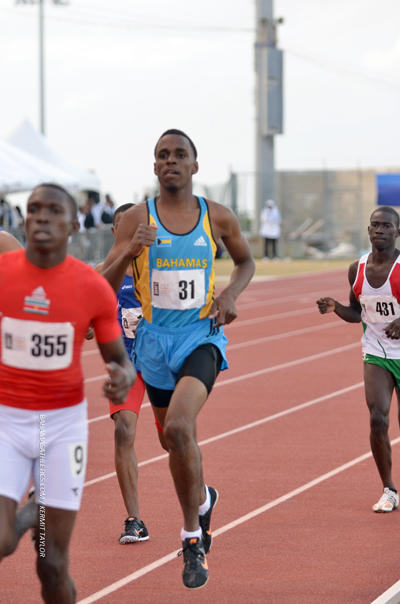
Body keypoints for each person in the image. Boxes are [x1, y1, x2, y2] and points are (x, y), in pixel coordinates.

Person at [102, 129, 255, 589]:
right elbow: (103, 286)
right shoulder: (135, 220)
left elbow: (245, 262)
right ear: (154, 167)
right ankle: (203, 498)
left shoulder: (217, 216)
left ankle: (192, 539)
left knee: (178, 428)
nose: (171, 161)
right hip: (153, 343)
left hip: (200, 337)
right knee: (175, 446)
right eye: (162, 155)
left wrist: (229, 292)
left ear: (194, 165)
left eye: (180, 154)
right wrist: (129, 252)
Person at [0, 183, 135, 604]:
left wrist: (123, 378)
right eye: (34, 209)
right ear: (24, 221)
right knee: (2, 542)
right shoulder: (2, 272)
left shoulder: (90, 287)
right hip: (6, 420)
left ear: (74, 224)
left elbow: (119, 358)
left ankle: (41, 502)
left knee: (52, 563)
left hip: (60, 428)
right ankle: (30, 511)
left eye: (54, 210)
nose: (42, 216)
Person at [317, 205, 400, 514]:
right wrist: (336, 307)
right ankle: (389, 489)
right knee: (378, 418)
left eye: (386, 226)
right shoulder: (357, 269)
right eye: (374, 225)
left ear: (397, 232)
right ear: (368, 230)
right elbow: (357, 312)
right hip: (377, 352)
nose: (379, 230)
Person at [90, 203, 151, 544]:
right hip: (126, 367)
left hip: (159, 364)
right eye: (122, 227)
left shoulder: (158, 271)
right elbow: (84, 323)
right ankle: (134, 519)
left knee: (172, 436)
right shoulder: (102, 274)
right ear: (116, 233)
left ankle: (199, 501)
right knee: (124, 431)